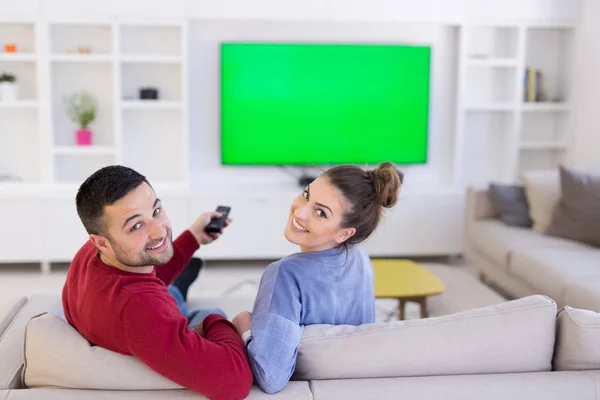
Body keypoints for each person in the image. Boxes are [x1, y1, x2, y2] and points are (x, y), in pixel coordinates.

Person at [62, 165, 253, 400]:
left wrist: (193, 236)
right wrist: (213, 322)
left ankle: (178, 287)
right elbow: (235, 382)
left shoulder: (93, 253)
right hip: (150, 322)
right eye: (136, 225)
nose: (159, 231)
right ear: (101, 242)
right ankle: (180, 291)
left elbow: (146, 274)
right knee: (211, 310)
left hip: (132, 317)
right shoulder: (141, 309)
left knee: (167, 284)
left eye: (156, 211)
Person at [231, 162, 403, 394]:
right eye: (306, 195)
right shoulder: (360, 258)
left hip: (313, 382)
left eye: (321, 212)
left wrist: (243, 323)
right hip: (354, 384)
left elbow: (270, 376)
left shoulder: (285, 274)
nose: (299, 212)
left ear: (345, 233)